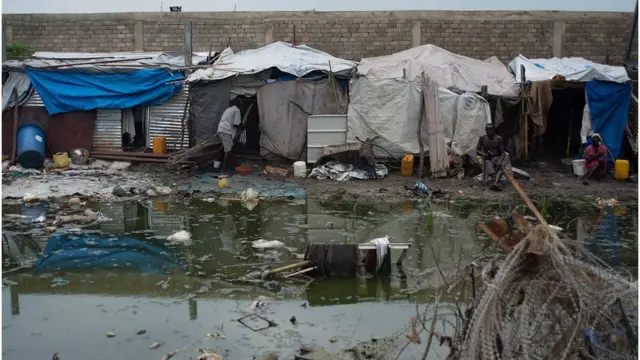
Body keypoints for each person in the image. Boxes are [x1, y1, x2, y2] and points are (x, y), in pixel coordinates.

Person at [476, 124, 511, 189]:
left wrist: (500, 160)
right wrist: (484, 155)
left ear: (493, 130)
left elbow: (502, 152)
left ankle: (495, 182)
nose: (489, 132)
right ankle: (495, 180)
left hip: (498, 157)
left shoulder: (499, 138)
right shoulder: (482, 138)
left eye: (490, 130)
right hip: (488, 158)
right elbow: (477, 151)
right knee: (487, 162)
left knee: (501, 165)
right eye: (487, 130)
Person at [216, 100, 247, 170]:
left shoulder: (229, 109)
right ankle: (223, 170)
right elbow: (236, 123)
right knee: (228, 149)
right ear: (239, 105)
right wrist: (242, 127)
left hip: (221, 129)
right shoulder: (237, 110)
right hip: (225, 130)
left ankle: (219, 166)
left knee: (225, 149)